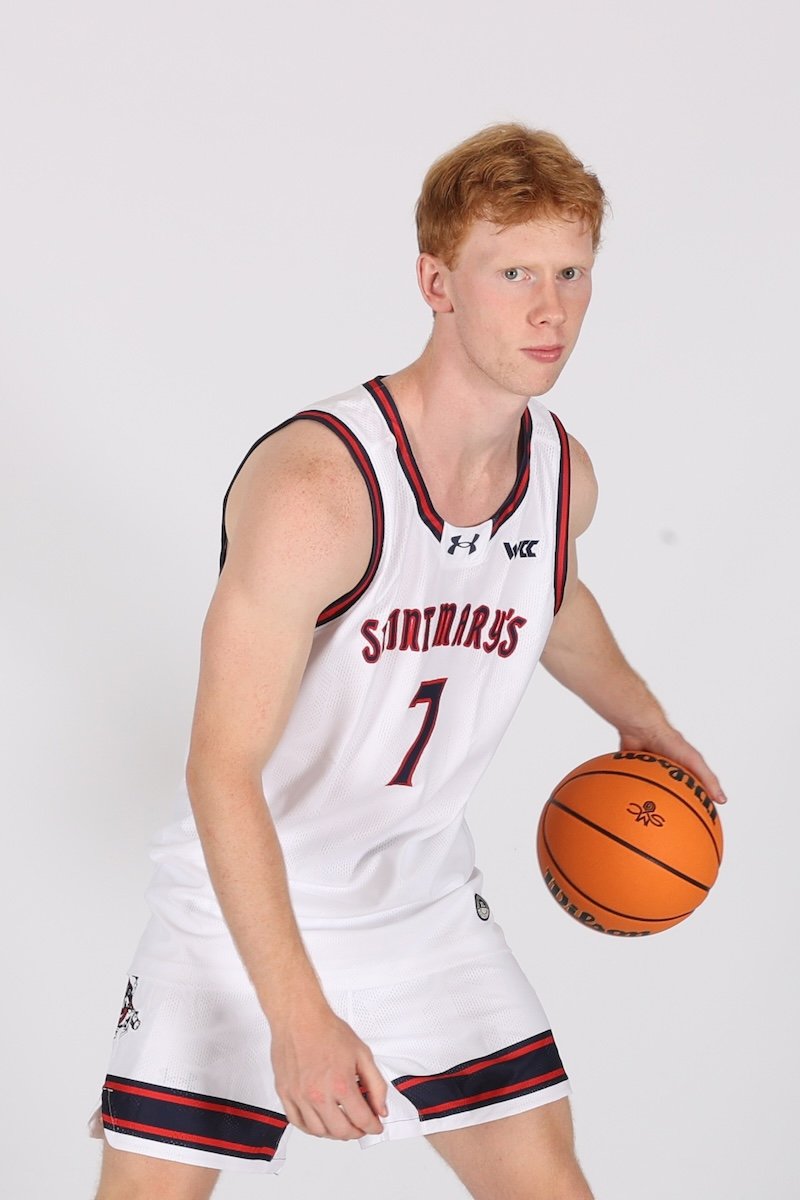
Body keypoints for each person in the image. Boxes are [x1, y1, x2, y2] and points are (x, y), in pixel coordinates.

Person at [89, 123, 725, 1200]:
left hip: (419, 906)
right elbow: (219, 770)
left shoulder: (559, 474)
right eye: (511, 271)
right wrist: (297, 1017)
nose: (548, 308)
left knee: (547, 1183)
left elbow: (548, 592)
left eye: (570, 273)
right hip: (243, 913)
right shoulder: (317, 489)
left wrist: (644, 717)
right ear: (435, 281)